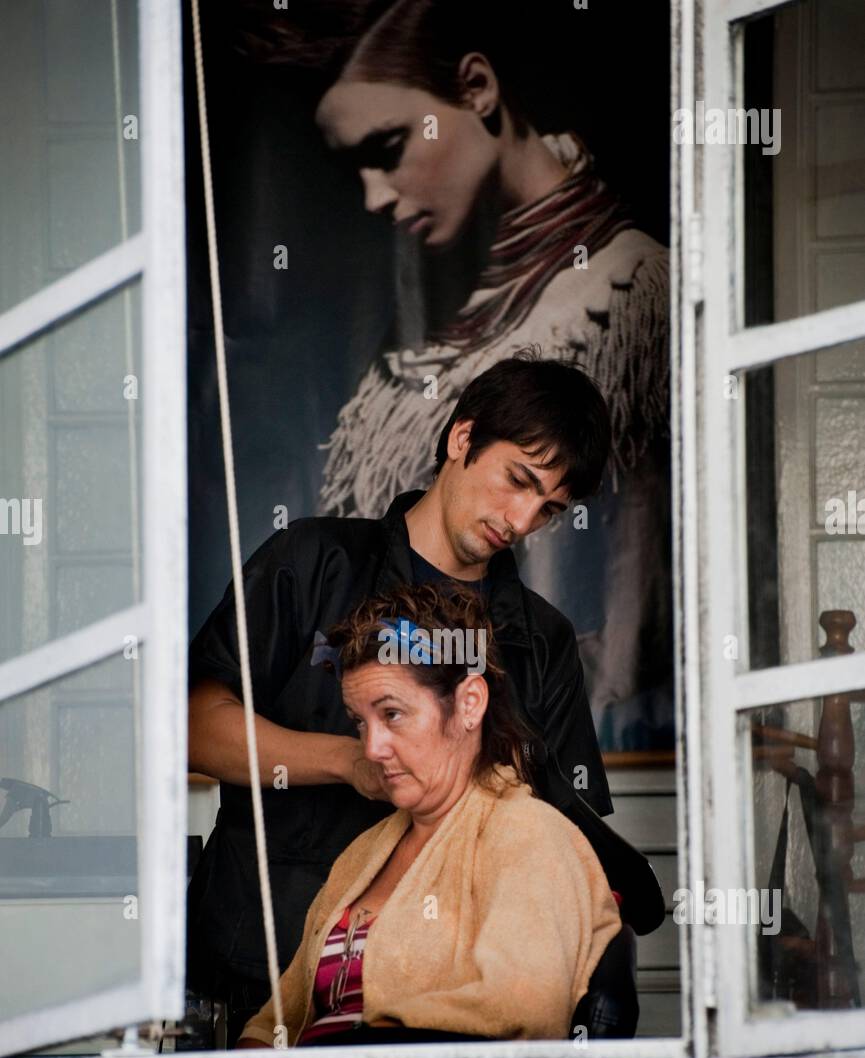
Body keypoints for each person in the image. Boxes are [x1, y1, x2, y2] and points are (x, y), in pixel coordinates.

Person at [187, 354, 664, 1047]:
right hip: (260, 973)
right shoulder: (312, 563)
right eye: (518, 481)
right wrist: (348, 762)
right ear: (462, 439)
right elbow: (189, 730)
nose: (523, 518)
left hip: (438, 1011)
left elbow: (559, 832)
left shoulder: (541, 641)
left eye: (550, 509)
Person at [238, 0, 672, 750]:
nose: (376, 195)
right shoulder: (433, 333)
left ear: (476, 88)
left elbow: (630, 594)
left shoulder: (621, 295)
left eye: (390, 146)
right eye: (356, 166)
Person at [235, 583, 623, 1048]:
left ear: (469, 703)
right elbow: (275, 1020)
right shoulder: (362, 855)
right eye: (359, 721)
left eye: (392, 714)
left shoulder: (530, 836)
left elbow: (523, 1006)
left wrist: (352, 1050)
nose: (372, 748)